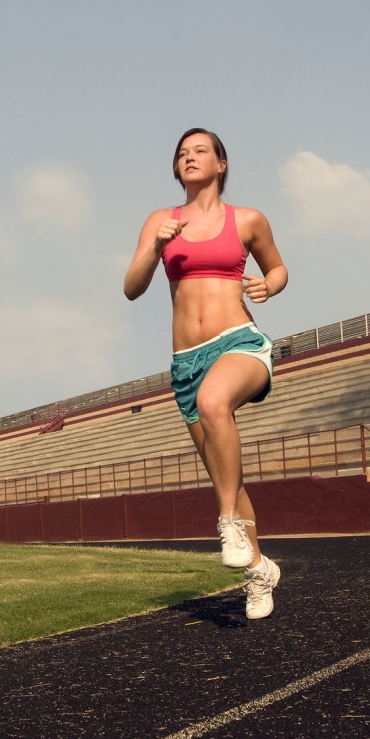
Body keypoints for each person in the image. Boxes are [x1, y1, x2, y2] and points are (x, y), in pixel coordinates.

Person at [124, 128, 288, 620]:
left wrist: (268, 287)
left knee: (217, 405)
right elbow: (132, 287)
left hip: (239, 343)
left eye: (200, 151)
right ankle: (259, 573)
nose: (189, 158)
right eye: (181, 154)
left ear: (221, 164)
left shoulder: (248, 220)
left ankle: (226, 524)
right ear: (176, 170)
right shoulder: (160, 221)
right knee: (227, 477)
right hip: (186, 362)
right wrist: (155, 246)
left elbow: (278, 269)